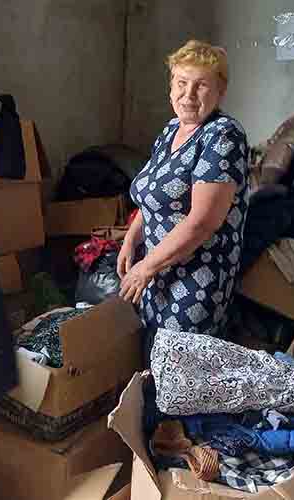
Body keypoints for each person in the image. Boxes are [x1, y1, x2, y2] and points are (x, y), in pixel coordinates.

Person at [118, 39, 249, 345]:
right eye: (181, 82)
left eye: (201, 85)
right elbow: (153, 193)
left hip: (196, 281)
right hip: (158, 268)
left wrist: (146, 268)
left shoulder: (223, 135)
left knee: (180, 362)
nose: (188, 95)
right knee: (150, 355)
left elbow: (203, 222)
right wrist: (131, 239)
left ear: (220, 91)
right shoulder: (170, 130)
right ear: (170, 86)